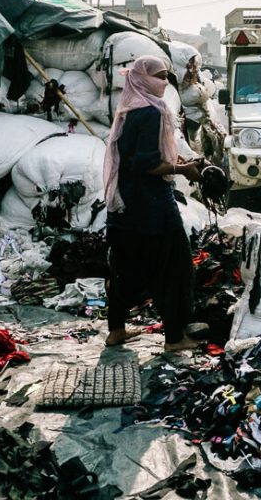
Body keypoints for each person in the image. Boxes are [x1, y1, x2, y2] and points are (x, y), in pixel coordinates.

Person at [102, 54, 203, 351]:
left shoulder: (129, 109)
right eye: (157, 75)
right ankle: (174, 338)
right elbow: (145, 163)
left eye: (165, 76)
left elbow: (138, 153)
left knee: (126, 268)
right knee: (172, 268)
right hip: (151, 207)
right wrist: (183, 169)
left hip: (124, 205)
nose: (162, 81)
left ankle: (116, 330)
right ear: (141, 78)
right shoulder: (152, 112)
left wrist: (177, 160)